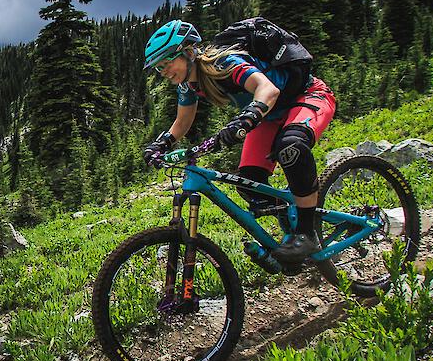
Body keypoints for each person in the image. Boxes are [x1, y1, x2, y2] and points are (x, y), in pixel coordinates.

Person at [140, 19, 337, 264]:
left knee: (291, 147)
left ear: (189, 52)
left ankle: (308, 234)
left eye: (168, 62)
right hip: (269, 117)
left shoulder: (225, 62)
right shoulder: (187, 85)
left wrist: (245, 119)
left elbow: (267, 90)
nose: (164, 71)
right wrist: (162, 144)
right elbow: (182, 121)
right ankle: (291, 225)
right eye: (159, 68)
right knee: (248, 183)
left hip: (307, 96)